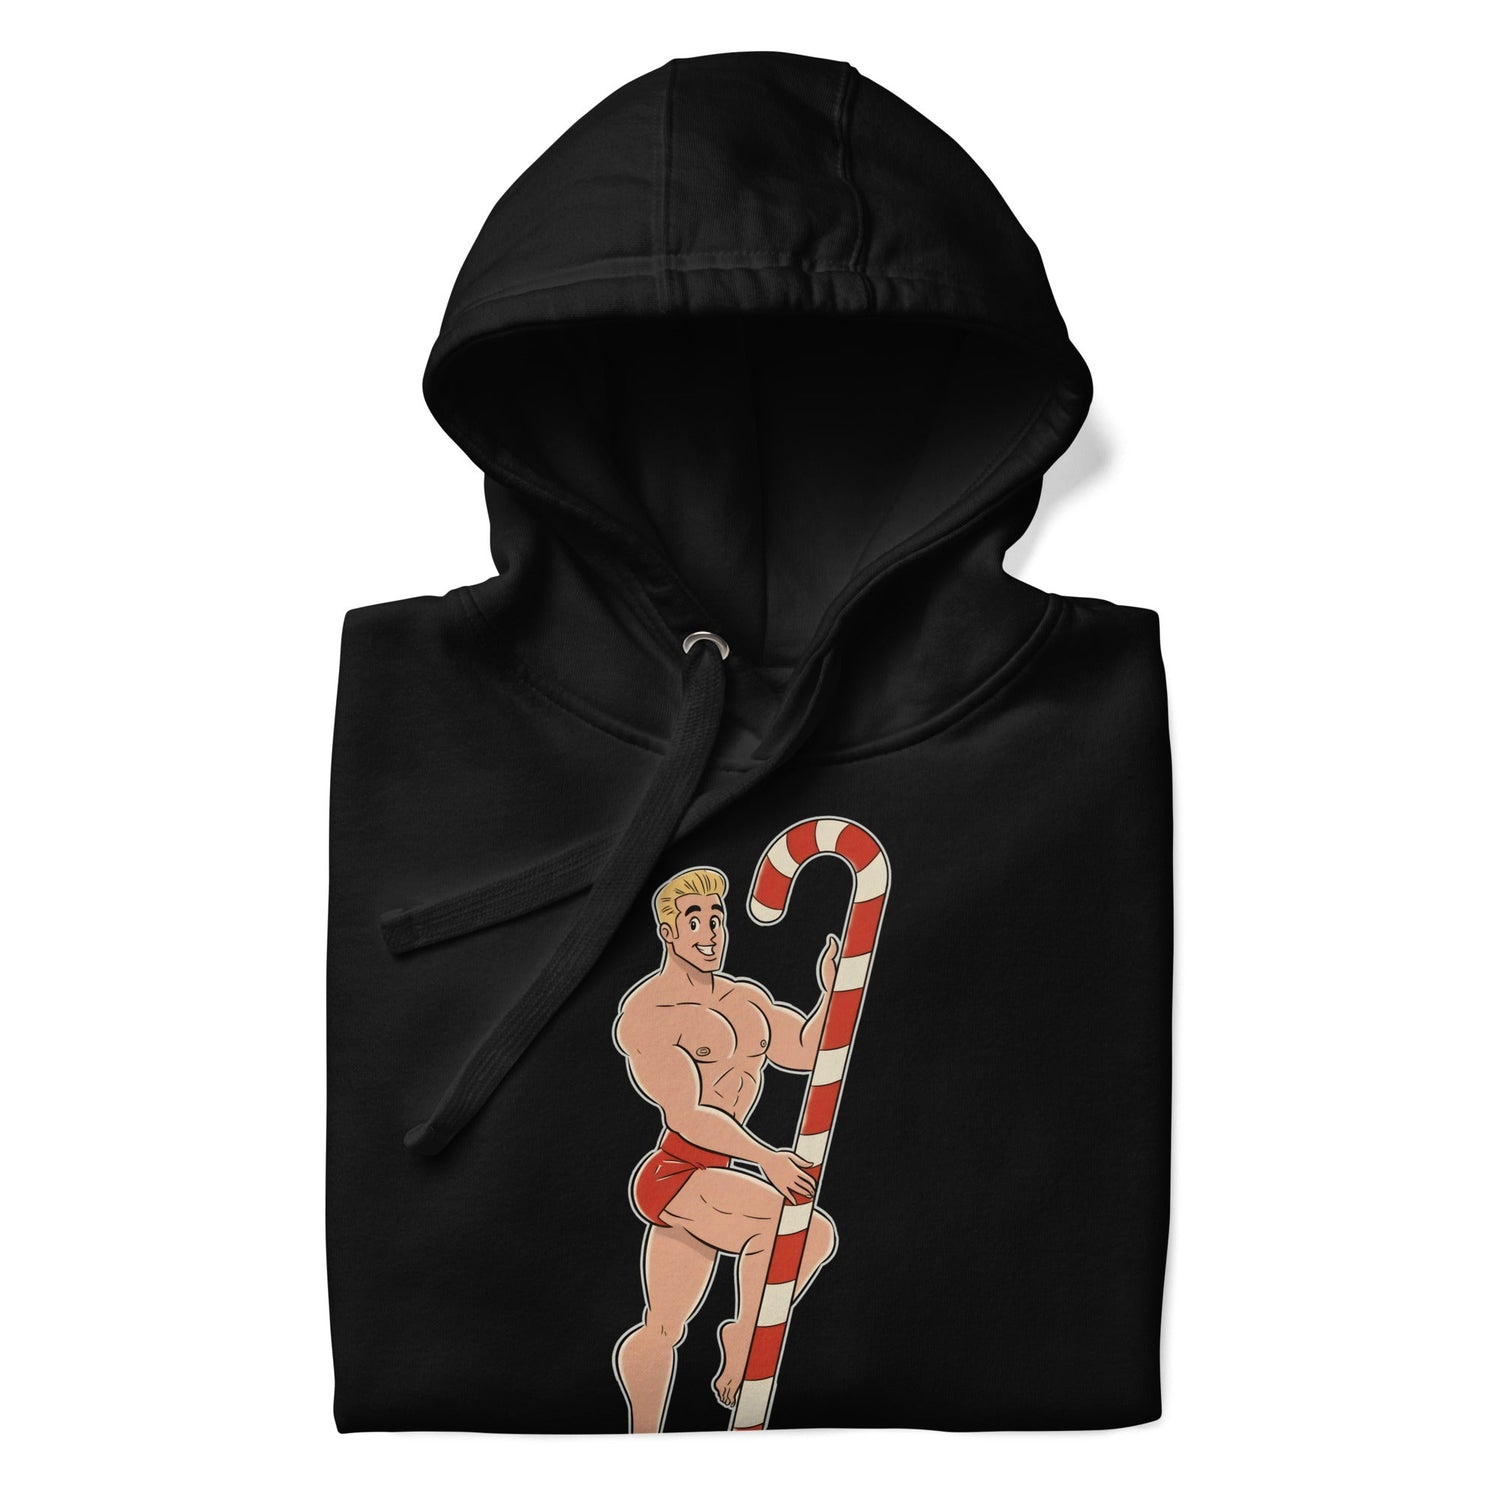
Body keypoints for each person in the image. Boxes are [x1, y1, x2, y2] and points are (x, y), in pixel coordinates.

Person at [612, 867, 839, 1433]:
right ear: (668, 932)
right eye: (694, 921)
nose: (710, 932)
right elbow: (686, 1114)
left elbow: (805, 1049)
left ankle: (735, 1344)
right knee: (802, 1228)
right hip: (677, 1172)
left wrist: (834, 992)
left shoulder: (746, 1000)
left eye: (716, 918)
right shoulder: (651, 1012)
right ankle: (741, 1340)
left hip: (716, 1178)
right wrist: (766, 1158)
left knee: (662, 1326)